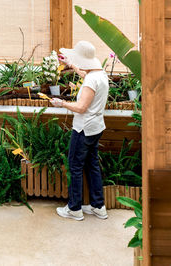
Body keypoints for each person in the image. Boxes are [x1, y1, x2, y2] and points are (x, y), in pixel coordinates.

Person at [50, 41, 109, 221]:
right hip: (96, 127)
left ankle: (74, 208)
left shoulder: (91, 80)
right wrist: (72, 64)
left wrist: (62, 103)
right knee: (92, 165)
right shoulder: (100, 74)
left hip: (83, 129)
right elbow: (85, 74)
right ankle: (98, 206)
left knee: (75, 167)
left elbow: (82, 107)